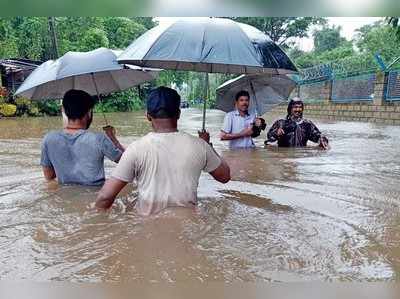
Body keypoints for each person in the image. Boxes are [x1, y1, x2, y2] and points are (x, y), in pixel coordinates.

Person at [95, 86, 230, 216]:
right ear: (178, 114)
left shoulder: (136, 149)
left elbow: (105, 197)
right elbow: (225, 177)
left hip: (146, 227)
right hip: (187, 228)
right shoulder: (200, 146)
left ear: (148, 116)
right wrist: (208, 146)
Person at [40, 89, 125, 186]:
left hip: (66, 196)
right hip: (95, 195)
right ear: (89, 112)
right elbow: (127, 161)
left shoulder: (49, 139)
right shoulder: (99, 139)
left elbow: (49, 177)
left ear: (63, 110)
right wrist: (114, 140)